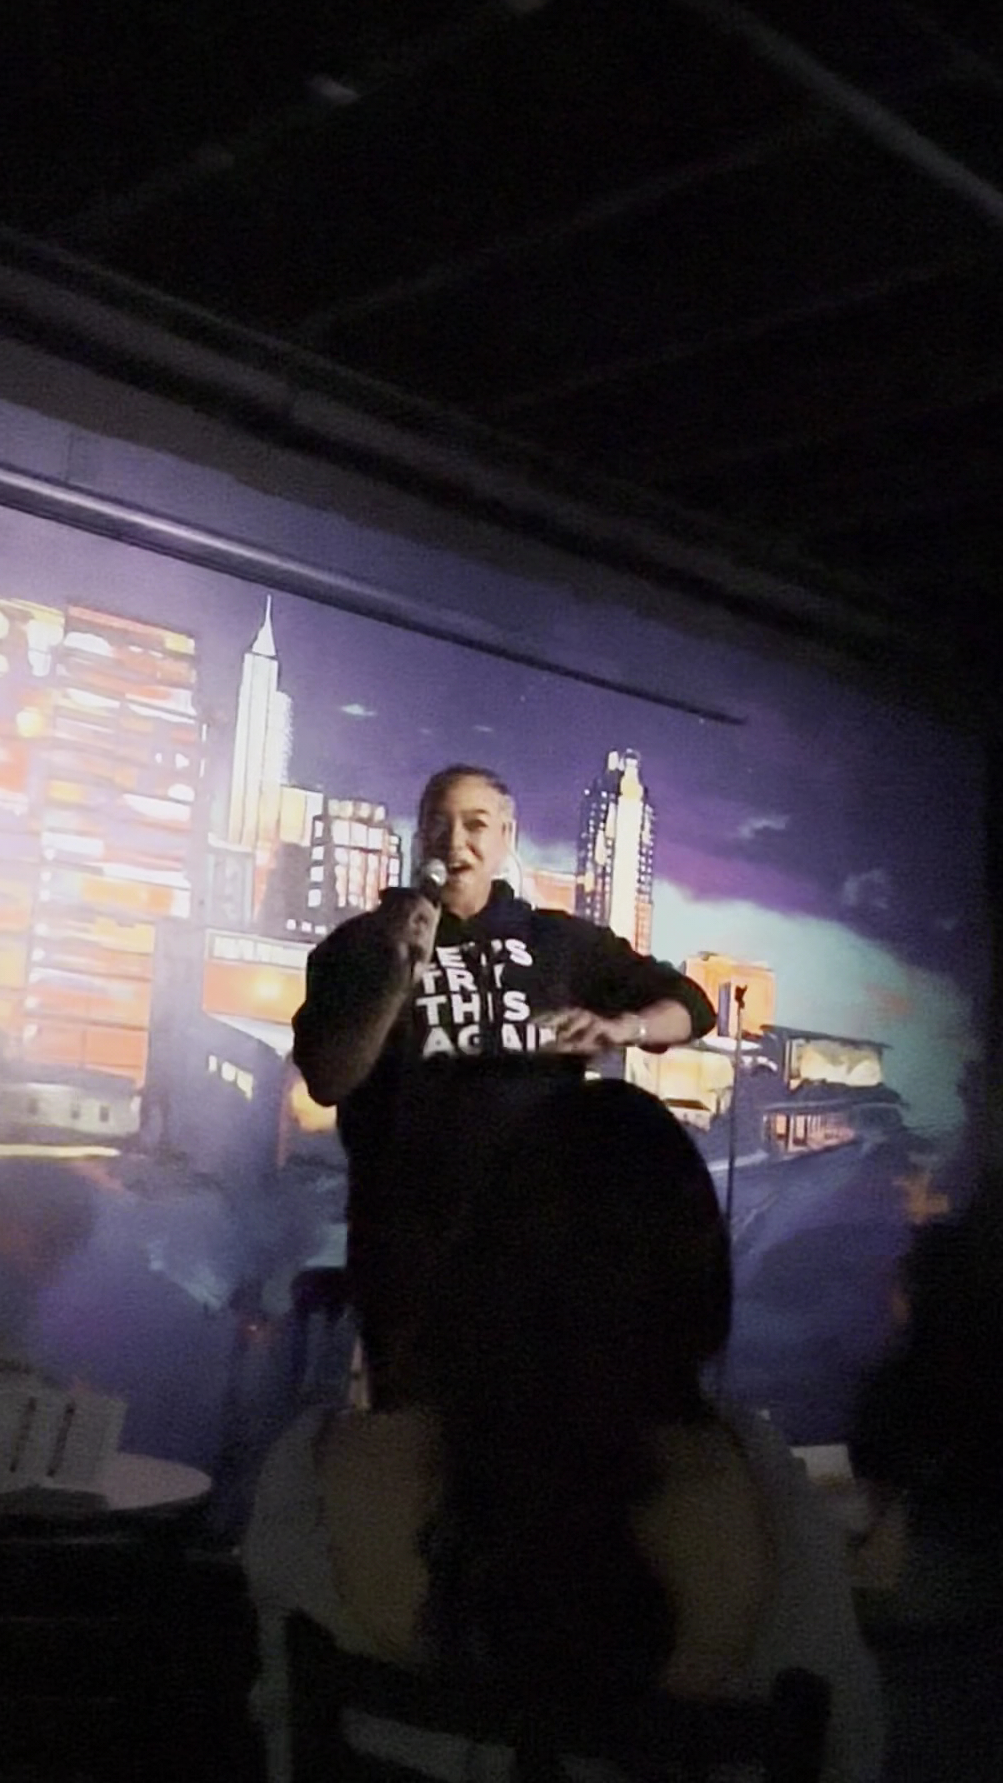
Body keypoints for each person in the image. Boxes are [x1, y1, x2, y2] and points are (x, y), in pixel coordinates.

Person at [243, 1081, 883, 1783]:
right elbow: (848, 1753)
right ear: (697, 1283)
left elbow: (283, 1749)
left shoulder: (316, 1481)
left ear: (469, 1268)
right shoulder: (764, 1500)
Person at [292, 764, 715, 1398]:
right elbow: (329, 1078)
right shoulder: (358, 947)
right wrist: (395, 978)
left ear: (505, 838)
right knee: (412, 1430)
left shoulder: (558, 942)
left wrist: (622, 1027)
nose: (454, 841)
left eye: (475, 824)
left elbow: (693, 1006)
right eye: (439, 824)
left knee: (527, 1428)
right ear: (420, 837)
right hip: (410, 1255)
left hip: (541, 1251)